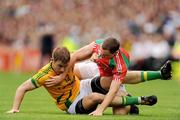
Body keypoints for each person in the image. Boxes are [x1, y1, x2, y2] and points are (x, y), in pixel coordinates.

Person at [6, 47, 157, 114]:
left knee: (108, 79)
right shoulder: (43, 75)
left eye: (65, 67)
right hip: (71, 103)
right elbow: (22, 88)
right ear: (52, 60)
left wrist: (93, 57)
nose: (62, 70)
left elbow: (84, 52)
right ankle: (139, 100)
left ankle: (158, 74)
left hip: (81, 86)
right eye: (59, 66)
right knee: (96, 97)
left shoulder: (68, 61)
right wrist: (15, 108)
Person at [45, 37, 172, 116]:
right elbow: (76, 55)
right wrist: (62, 76)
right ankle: (160, 74)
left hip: (109, 77)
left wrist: (100, 109)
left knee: (120, 113)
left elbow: (112, 90)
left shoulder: (120, 64)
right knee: (75, 69)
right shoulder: (98, 45)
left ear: (115, 53)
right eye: (101, 52)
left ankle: (130, 101)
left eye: (105, 55)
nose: (102, 56)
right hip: (96, 69)